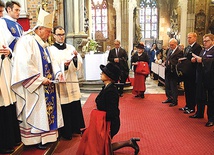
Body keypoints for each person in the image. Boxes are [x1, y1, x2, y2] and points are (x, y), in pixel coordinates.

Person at [11, 8, 64, 149]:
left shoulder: (43, 44)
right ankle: (35, 139)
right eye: (48, 31)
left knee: (46, 111)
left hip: (47, 86)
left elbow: (52, 61)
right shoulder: (26, 41)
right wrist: (40, 79)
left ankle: (46, 137)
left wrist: (58, 73)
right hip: (35, 88)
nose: (49, 34)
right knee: (36, 111)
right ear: (39, 29)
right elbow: (23, 65)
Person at [77, 62, 140, 155]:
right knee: (102, 146)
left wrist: (102, 124)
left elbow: (112, 112)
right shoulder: (106, 87)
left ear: (109, 77)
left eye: (103, 73)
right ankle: (130, 142)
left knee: (102, 147)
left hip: (110, 123)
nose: (101, 74)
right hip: (104, 122)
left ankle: (130, 142)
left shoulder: (111, 91)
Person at [50, 26, 85, 140]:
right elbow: (53, 65)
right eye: (59, 34)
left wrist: (74, 59)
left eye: (63, 34)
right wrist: (63, 67)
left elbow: (78, 63)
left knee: (74, 104)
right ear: (54, 35)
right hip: (62, 83)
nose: (61, 37)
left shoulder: (70, 47)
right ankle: (66, 132)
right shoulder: (51, 50)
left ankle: (76, 128)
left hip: (72, 80)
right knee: (65, 106)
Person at [0, 1, 21, 154]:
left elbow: (9, 44)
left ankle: (11, 139)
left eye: (2, 12)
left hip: (5, 68)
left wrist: (9, 53)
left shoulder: (1, 25)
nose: (1, 16)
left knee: (8, 105)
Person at [189, 34, 214, 127]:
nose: (205, 43)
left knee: (210, 100)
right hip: (201, 77)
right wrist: (195, 59)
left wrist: (202, 60)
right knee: (199, 96)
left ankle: (211, 118)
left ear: (212, 41)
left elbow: (211, 61)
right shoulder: (203, 50)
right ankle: (199, 112)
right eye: (204, 41)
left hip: (210, 79)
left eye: (207, 41)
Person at [178, 32, 202, 114]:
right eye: (188, 37)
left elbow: (197, 57)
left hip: (192, 72)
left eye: (190, 37)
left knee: (192, 90)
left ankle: (192, 107)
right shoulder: (187, 47)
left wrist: (193, 59)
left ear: (195, 38)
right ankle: (187, 105)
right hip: (186, 72)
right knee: (187, 90)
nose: (188, 39)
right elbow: (186, 56)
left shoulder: (197, 47)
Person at [162, 38, 183, 107]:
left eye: (172, 45)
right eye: (170, 45)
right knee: (167, 85)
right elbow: (168, 58)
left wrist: (170, 62)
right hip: (168, 70)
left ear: (176, 44)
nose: (171, 46)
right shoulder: (169, 50)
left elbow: (179, 61)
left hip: (173, 71)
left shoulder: (179, 51)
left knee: (173, 86)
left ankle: (174, 100)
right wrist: (165, 62)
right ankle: (169, 98)